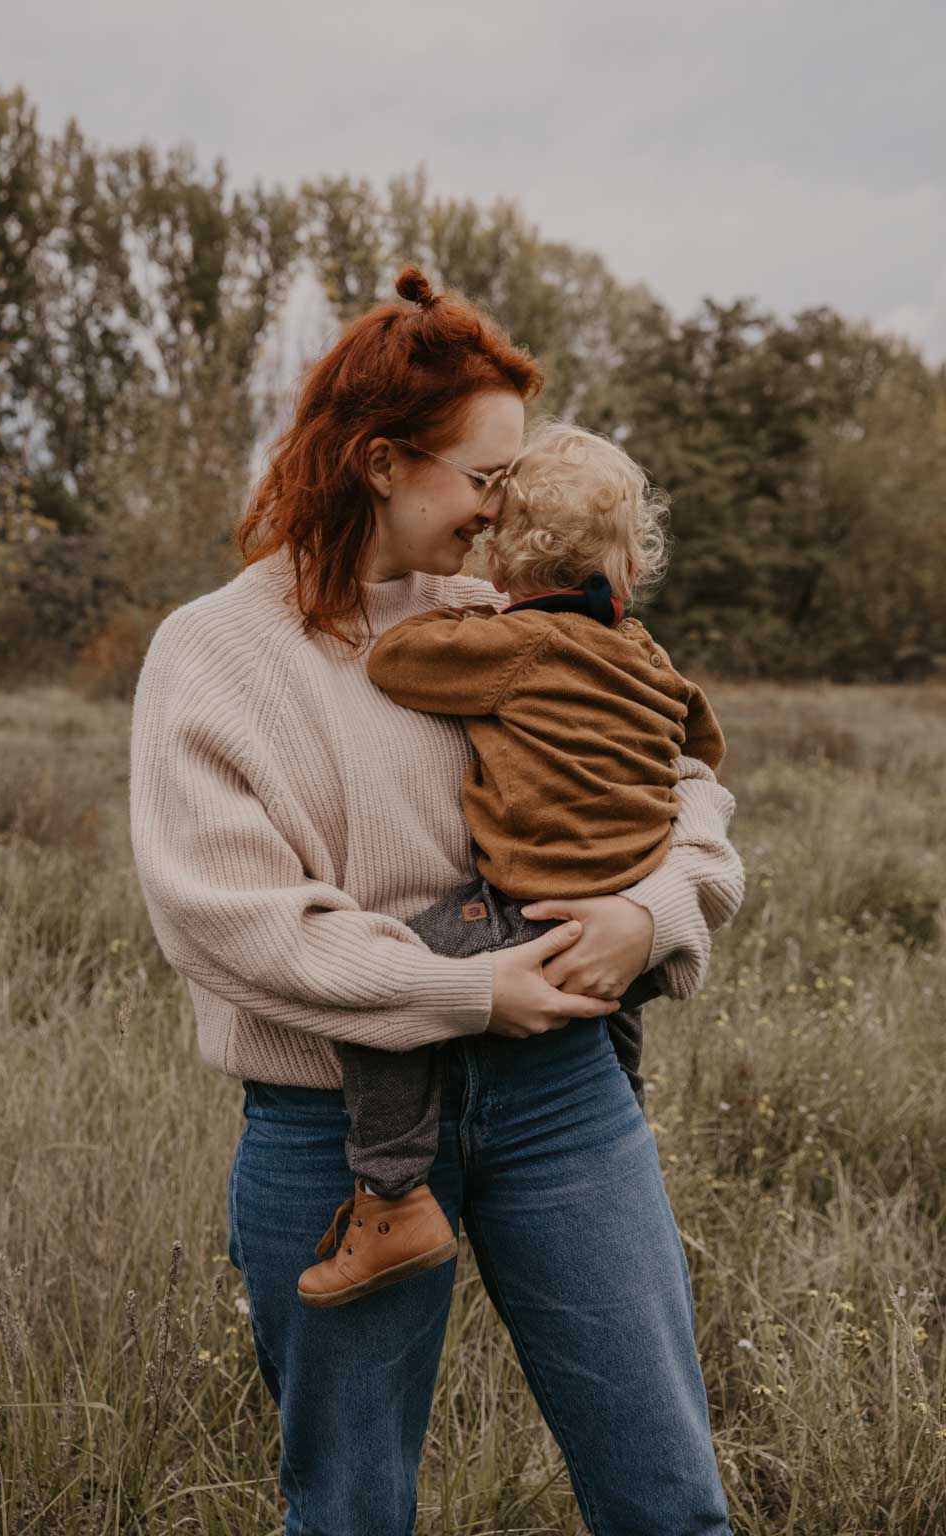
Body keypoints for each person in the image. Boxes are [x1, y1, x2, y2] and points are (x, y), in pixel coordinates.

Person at [129, 262, 743, 1534]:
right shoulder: (215, 654)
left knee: (671, 1506)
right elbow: (224, 911)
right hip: (329, 1131)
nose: (501, 511)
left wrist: (652, 916)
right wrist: (463, 987)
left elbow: (680, 789)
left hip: (563, 1098)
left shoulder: (506, 617)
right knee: (348, 1513)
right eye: (485, 478)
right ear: (377, 462)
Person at [298, 416, 730, 1308]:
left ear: (501, 558)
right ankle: (621, 1159)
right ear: (631, 566)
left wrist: (456, 609)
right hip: (630, 920)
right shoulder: (643, 652)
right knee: (609, 1039)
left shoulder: (515, 644)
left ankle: (392, 1198)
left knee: (383, 988)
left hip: (529, 914)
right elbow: (701, 738)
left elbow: (395, 662)